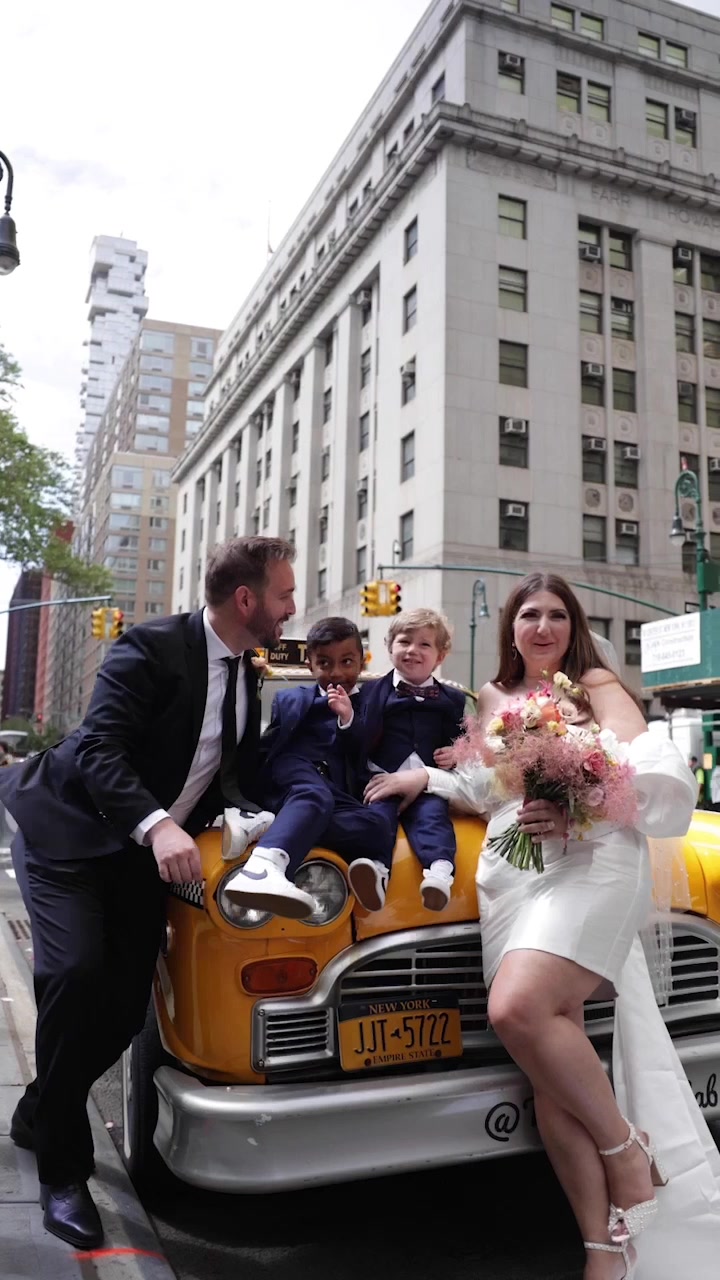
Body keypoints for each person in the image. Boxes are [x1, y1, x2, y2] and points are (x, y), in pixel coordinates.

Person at [364, 573, 720, 1279]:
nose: (544, 627)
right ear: (512, 626)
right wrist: (426, 780)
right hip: (510, 871)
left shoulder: (596, 683)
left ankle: (629, 1151)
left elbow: (639, 760)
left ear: (573, 624)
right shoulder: (491, 696)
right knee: (551, 1080)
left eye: (558, 614)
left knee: (516, 1008)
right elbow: (490, 785)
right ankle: (604, 1250)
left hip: (593, 859)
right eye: (530, 614)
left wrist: (576, 805)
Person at [0, 535, 296, 1251]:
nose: (293, 607)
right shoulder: (149, 648)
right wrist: (161, 825)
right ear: (247, 600)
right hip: (69, 835)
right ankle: (64, 1173)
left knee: (126, 1009)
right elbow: (99, 748)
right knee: (73, 976)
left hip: (137, 856)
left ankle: (43, 1106)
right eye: (285, 595)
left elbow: (229, 770)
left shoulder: (248, 669)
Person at [225, 616, 394, 917]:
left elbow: (367, 750)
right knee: (313, 796)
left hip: (335, 792)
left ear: (361, 662)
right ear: (310, 666)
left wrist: (348, 719)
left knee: (379, 828)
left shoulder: (372, 704)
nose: (336, 672)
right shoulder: (290, 698)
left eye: (346, 662)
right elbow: (266, 745)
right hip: (293, 771)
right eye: (324, 663)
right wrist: (240, 794)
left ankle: (276, 825)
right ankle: (261, 870)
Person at [348, 608, 465, 912]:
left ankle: (439, 873)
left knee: (433, 817)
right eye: (404, 641)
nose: (412, 650)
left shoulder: (453, 699)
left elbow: (462, 740)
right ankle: (376, 871)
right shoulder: (369, 692)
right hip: (381, 779)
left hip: (426, 782)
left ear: (440, 656)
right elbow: (356, 737)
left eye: (424, 644)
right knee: (376, 819)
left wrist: (455, 754)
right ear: (389, 647)